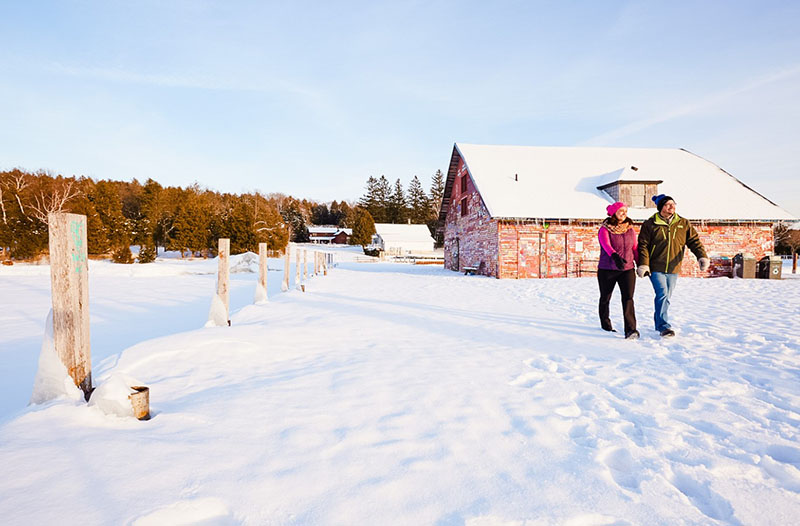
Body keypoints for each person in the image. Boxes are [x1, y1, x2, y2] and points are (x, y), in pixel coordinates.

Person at [637, 194, 709, 337]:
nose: (672, 206)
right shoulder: (650, 224)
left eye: (673, 204)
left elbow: (694, 241)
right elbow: (643, 246)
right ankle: (664, 326)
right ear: (661, 207)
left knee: (666, 297)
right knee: (662, 294)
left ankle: (659, 322)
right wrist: (644, 265)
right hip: (655, 266)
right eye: (668, 204)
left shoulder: (683, 223)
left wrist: (701, 256)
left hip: (674, 267)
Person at [597, 201, 639, 340]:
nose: (624, 214)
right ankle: (606, 326)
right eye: (621, 211)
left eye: (625, 211)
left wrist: (640, 264)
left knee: (628, 298)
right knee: (605, 297)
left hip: (627, 269)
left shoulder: (629, 229)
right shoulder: (605, 229)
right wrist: (615, 257)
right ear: (614, 213)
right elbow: (607, 246)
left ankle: (631, 330)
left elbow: (635, 248)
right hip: (607, 269)